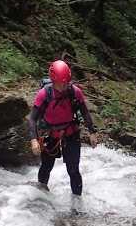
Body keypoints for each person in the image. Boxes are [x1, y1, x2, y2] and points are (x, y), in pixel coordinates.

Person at [27, 60, 97, 195]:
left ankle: (77, 202)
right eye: (61, 82)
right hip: (50, 134)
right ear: (53, 80)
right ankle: (41, 196)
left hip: (70, 133)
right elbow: (32, 118)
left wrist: (92, 132)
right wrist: (34, 140)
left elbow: (85, 112)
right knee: (46, 166)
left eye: (66, 82)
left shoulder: (75, 92)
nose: (64, 85)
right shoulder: (44, 94)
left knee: (73, 170)